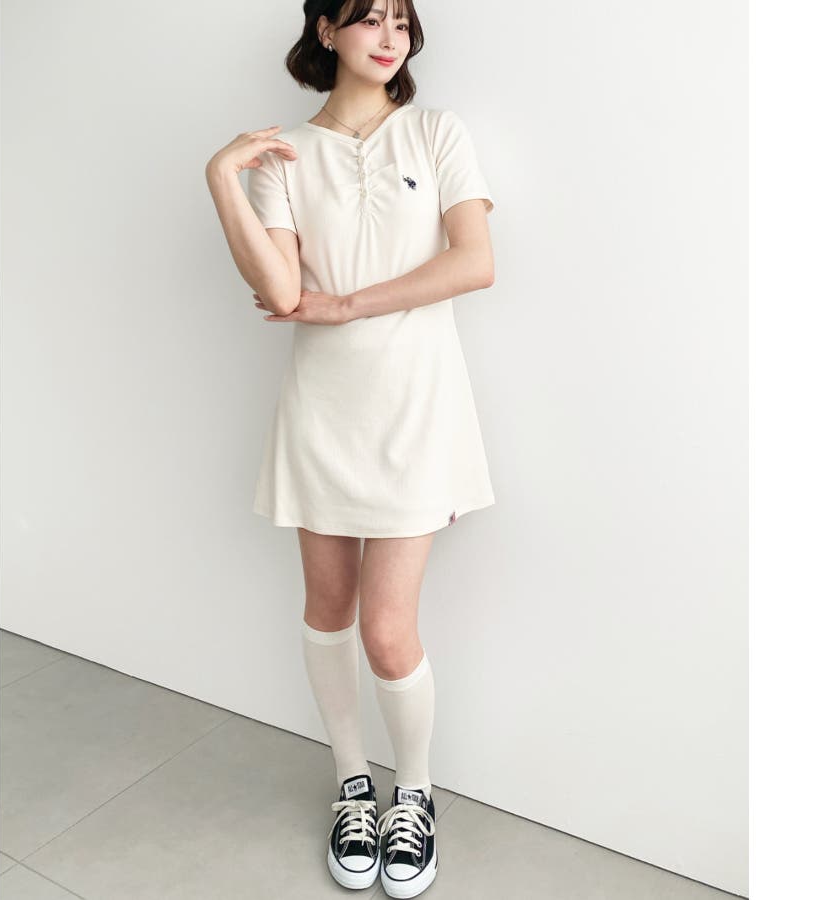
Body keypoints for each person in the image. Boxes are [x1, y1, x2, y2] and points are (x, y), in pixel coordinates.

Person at [204, 1, 496, 895]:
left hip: (417, 409)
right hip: (323, 411)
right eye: (368, 19)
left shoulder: (438, 133)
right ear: (326, 31)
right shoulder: (284, 157)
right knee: (326, 611)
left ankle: (416, 793)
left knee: (387, 630)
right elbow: (281, 290)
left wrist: (349, 304)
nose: (389, 37)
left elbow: (475, 261)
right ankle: (353, 786)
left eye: (401, 23)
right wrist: (221, 177)